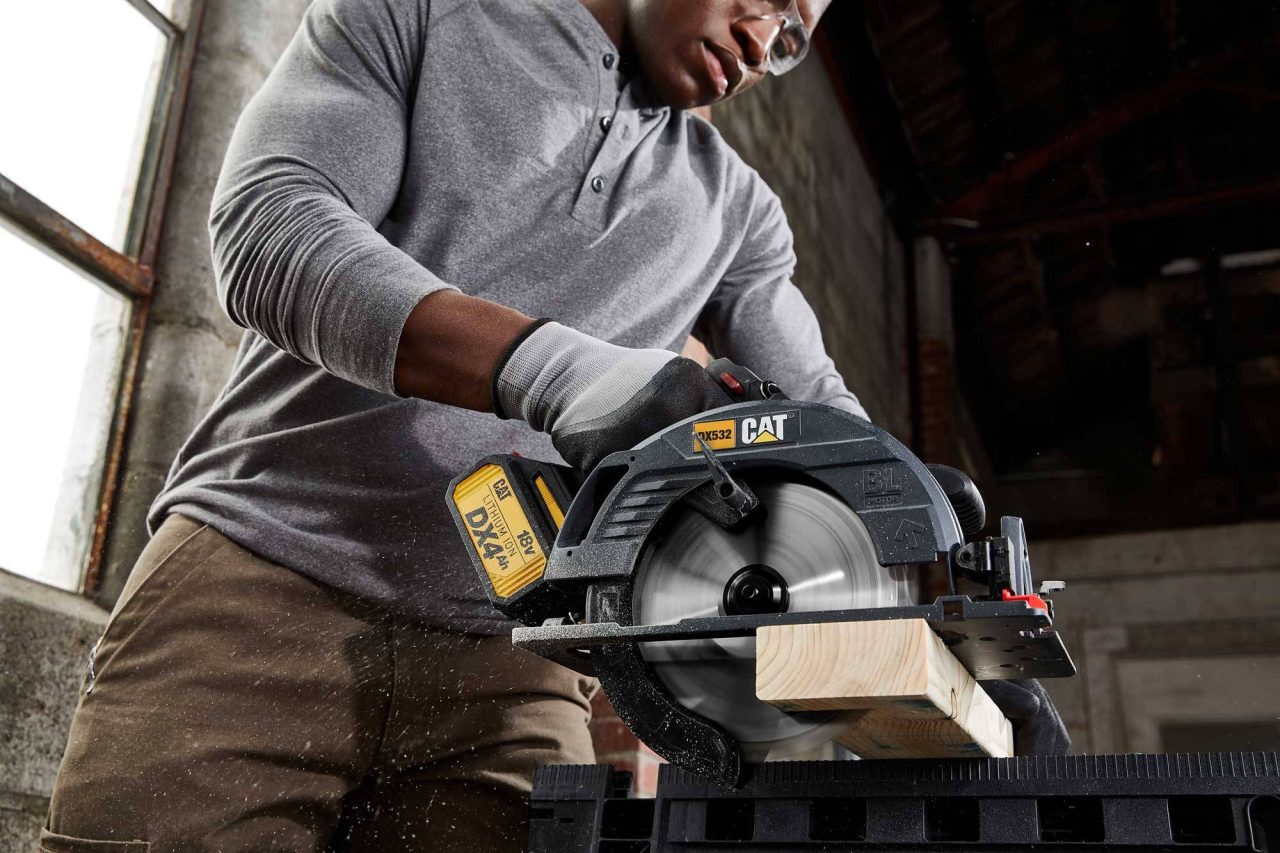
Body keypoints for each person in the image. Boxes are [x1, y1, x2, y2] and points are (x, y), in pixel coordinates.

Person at [45, 0, 1067, 850]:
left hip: (516, 663)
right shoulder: (419, 15)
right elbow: (273, 233)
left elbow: (821, 422)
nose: (763, 43)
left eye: (792, 36)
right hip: (254, 586)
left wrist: (937, 608)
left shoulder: (737, 212)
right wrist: (556, 371)